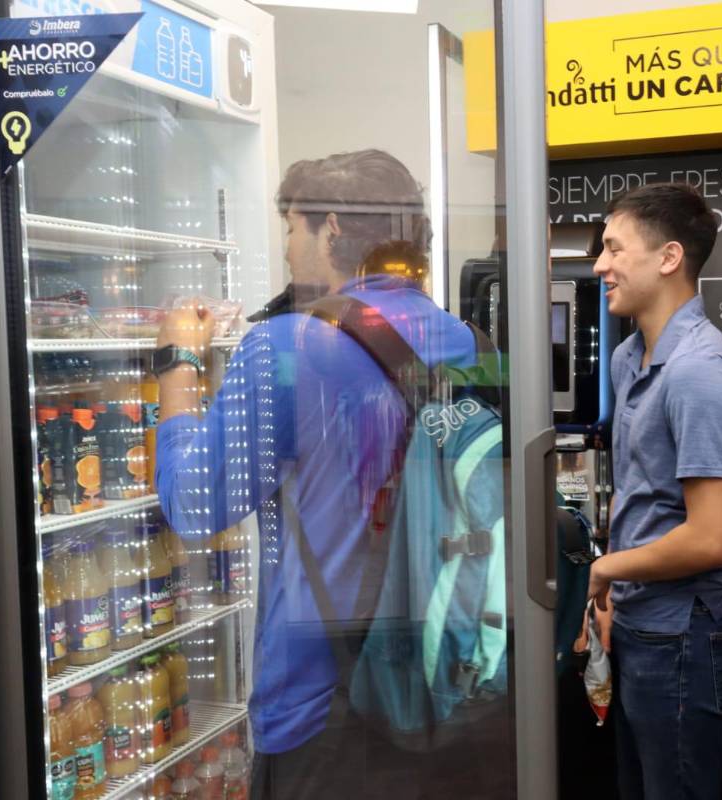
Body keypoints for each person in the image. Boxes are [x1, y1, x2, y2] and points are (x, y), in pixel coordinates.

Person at [153, 150, 485, 798]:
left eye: (290, 228)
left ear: (331, 227)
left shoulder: (284, 346)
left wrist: (177, 363)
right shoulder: (459, 339)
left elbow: (193, 503)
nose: (285, 250)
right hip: (438, 678)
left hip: (320, 701)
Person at [587, 182, 722, 800]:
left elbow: (711, 539)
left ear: (668, 258)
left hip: (685, 634)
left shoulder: (698, 373)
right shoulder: (630, 356)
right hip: (644, 618)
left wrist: (606, 569)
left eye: (614, 247)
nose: (600, 264)